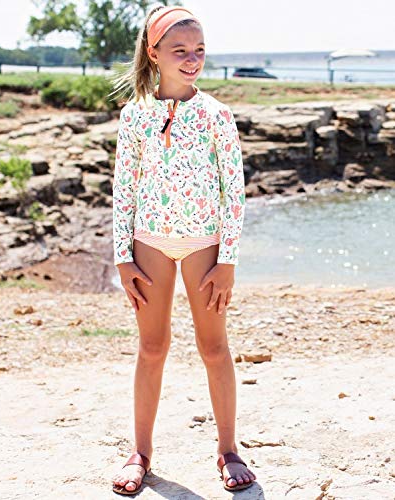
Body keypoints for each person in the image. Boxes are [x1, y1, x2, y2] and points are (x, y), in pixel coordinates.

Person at [111, 4, 256, 495]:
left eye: (199, 50)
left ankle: (228, 448)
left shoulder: (217, 115)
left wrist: (227, 260)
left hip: (204, 244)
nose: (192, 59)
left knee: (214, 347)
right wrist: (123, 256)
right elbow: (124, 189)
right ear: (154, 54)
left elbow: (233, 192)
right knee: (152, 347)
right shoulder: (135, 116)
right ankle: (140, 452)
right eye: (180, 50)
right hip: (149, 242)